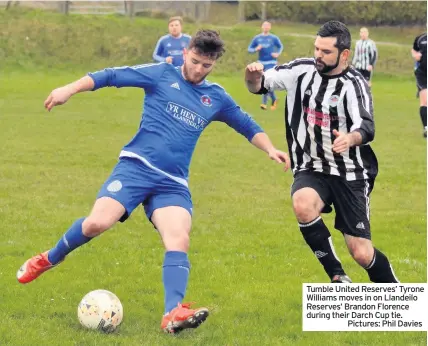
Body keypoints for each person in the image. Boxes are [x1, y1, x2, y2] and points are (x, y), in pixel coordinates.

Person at [17, 30, 290, 334]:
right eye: (196, 61)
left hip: (172, 182)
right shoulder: (161, 74)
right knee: (96, 224)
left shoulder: (216, 97)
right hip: (135, 168)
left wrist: (270, 148)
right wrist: (70, 88)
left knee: (179, 239)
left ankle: (172, 313)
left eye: (207, 66)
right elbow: (111, 75)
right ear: (186, 52)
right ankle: (49, 259)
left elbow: (245, 124)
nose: (199, 70)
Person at [245, 20, 399, 284]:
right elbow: (258, 86)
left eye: (326, 52)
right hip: (311, 165)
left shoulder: (354, 84)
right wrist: (253, 75)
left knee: (361, 253)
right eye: (317, 48)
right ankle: (337, 276)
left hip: (350, 172)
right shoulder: (301, 70)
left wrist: (350, 138)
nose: (318, 55)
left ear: (344, 54)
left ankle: (397, 297)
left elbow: (367, 126)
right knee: (302, 204)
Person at [248, 21, 283, 111]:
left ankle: (264, 103)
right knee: (264, 82)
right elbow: (249, 49)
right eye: (264, 26)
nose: (266, 27)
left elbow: (280, 46)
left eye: (268, 26)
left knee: (265, 80)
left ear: (270, 27)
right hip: (261, 62)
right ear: (262, 27)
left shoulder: (273, 38)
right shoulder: (257, 38)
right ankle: (274, 99)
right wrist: (256, 49)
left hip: (271, 62)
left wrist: (277, 53)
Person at [411, 32, 427, 137]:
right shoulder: (421, 38)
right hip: (422, 73)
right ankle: (426, 128)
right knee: (425, 101)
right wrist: (415, 55)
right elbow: (414, 49)